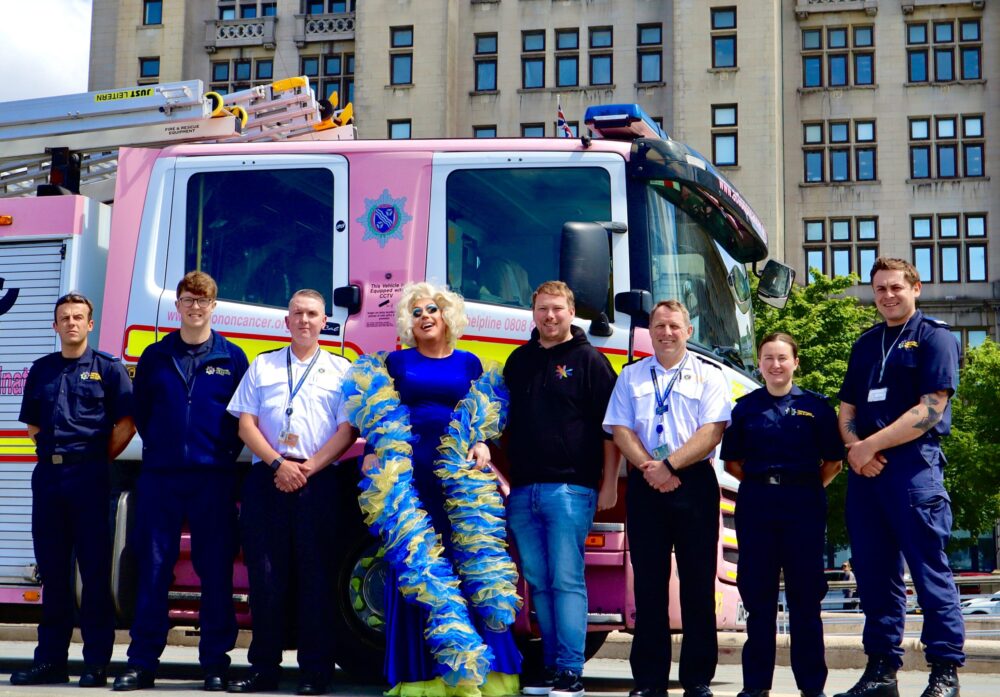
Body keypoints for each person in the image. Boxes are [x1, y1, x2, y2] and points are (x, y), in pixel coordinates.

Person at [345, 282, 522, 697]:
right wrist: (373, 451)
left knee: (468, 563)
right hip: (409, 477)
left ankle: (481, 675)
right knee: (417, 567)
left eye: (433, 310)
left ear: (447, 318)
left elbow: (483, 416)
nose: (425, 317)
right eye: (418, 312)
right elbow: (379, 414)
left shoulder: (469, 363)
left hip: (458, 480)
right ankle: (422, 676)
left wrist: (482, 443)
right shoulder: (396, 362)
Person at [113, 272, 249, 692]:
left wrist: (217, 455)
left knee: (215, 571)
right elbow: (144, 415)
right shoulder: (155, 356)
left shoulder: (232, 356)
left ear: (214, 306)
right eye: (188, 300)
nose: (195, 307)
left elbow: (240, 415)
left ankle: (214, 663)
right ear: (177, 305)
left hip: (213, 480)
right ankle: (142, 663)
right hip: (161, 478)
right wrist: (167, 451)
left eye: (202, 300)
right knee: (152, 568)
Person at [835, 258, 963, 697]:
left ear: (916, 288)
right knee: (874, 577)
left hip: (913, 470)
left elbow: (930, 409)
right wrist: (856, 451)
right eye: (880, 289)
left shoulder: (936, 337)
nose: (887, 296)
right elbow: (848, 407)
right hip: (866, 475)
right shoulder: (866, 343)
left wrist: (872, 446)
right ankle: (881, 672)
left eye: (895, 287)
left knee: (930, 574)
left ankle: (944, 672)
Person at [226, 289, 357, 696]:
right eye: (297, 313)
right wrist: (279, 465)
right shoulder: (262, 365)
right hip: (269, 476)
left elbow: (348, 430)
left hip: (318, 481)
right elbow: (245, 424)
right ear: (286, 322)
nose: (304, 320)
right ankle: (264, 668)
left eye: (312, 314)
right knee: (266, 579)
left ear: (324, 323)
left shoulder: (341, 370)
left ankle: (315, 671)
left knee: (316, 578)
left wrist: (309, 468)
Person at [603, 299, 730, 697]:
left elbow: (712, 431)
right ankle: (649, 681)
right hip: (646, 485)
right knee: (649, 587)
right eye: (659, 326)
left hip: (694, 484)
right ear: (650, 331)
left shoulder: (709, 376)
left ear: (688, 331)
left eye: (674, 326)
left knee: (697, 585)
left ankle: (696, 679)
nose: (667, 333)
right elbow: (620, 430)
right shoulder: (632, 376)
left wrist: (670, 466)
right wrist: (650, 468)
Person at [503, 281, 620, 697]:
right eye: (542, 310)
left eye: (556, 309)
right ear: (533, 313)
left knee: (567, 579)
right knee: (538, 580)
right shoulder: (518, 362)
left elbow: (612, 430)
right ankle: (552, 667)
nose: (549, 317)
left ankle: (571, 671)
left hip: (571, 490)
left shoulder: (590, 361)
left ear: (571, 312)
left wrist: (607, 484)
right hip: (523, 491)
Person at [12, 293, 135, 688]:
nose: (71, 323)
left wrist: (96, 458)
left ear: (90, 324)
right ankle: (50, 660)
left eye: (78, 317)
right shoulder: (42, 370)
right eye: (64, 317)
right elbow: (32, 424)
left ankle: (96, 663)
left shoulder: (108, 370)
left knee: (95, 574)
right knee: (53, 574)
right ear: (55, 326)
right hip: (49, 480)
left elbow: (127, 424)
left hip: (91, 481)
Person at [720, 332, 844, 697]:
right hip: (757, 504)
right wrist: (767, 486)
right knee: (758, 600)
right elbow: (732, 463)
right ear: (759, 363)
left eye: (782, 358)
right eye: (768, 358)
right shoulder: (745, 407)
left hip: (803, 505)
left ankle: (812, 688)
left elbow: (834, 462)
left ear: (795, 362)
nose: (775, 365)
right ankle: (755, 687)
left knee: (806, 600)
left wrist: (800, 490)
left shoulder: (817, 407)